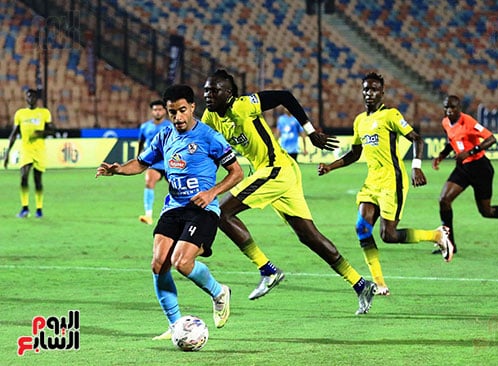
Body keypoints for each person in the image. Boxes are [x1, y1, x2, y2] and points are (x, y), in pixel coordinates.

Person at [201, 69, 377, 315]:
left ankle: (267, 270)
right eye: (206, 90)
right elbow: (210, 150)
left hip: (276, 170)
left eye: (214, 90)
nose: (208, 94)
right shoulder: (210, 117)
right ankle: (361, 284)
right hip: (278, 172)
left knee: (220, 211)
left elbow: (285, 96)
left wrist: (310, 131)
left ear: (228, 93)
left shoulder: (243, 105)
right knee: (309, 236)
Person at [96, 84, 243, 339]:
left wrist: (212, 192)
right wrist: (117, 169)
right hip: (174, 208)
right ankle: (176, 326)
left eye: (182, 110)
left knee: (182, 263)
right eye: (172, 112)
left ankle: (219, 292)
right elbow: (141, 164)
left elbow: (237, 173)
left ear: (193, 107)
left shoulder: (209, 137)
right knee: (158, 264)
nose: (178, 117)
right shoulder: (164, 136)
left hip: (203, 209)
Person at [317, 72, 454, 296]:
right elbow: (355, 153)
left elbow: (417, 139)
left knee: (388, 235)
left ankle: (437, 236)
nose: (369, 93)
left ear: (382, 92)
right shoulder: (360, 121)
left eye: (373, 89)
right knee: (362, 228)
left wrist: (416, 166)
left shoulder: (391, 115)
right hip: (372, 182)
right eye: (365, 89)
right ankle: (380, 284)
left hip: (393, 182)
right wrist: (330, 167)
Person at [431, 95, 498, 254]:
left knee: (486, 211)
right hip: (462, 168)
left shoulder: (468, 121)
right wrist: (441, 155)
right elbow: (452, 141)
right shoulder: (445, 122)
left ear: (459, 108)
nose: (449, 111)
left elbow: (491, 138)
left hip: (480, 168)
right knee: (444, 200)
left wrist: (470, 152)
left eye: (452, 107)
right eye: (446, 107)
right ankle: (449, 244)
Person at [3, 89, 55, 218]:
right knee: (23, 177)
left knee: (38, 180)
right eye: (28, 96)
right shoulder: (20, 114)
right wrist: (7, 153)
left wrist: (41, 133)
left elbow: (52, 131)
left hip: (39, 151)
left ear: (36, 98)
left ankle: (39, 209)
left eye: (32, 96)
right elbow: (13, 135)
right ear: (25, 98)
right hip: (26, 150)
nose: (30, 98)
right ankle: (25, 208)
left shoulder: (44, 113)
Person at [137, 100, 173, 225]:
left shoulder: (171, 126)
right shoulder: (145, 127)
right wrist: (139, 158)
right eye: (155, 110)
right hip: (154, 163)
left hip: (170, 163)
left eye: (160, 109)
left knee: (176, 188)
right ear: (152, 111)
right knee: (149, 182)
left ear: (165, 111)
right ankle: (148, 215)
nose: (157, 112)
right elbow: (141, 142)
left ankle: (173, 212)